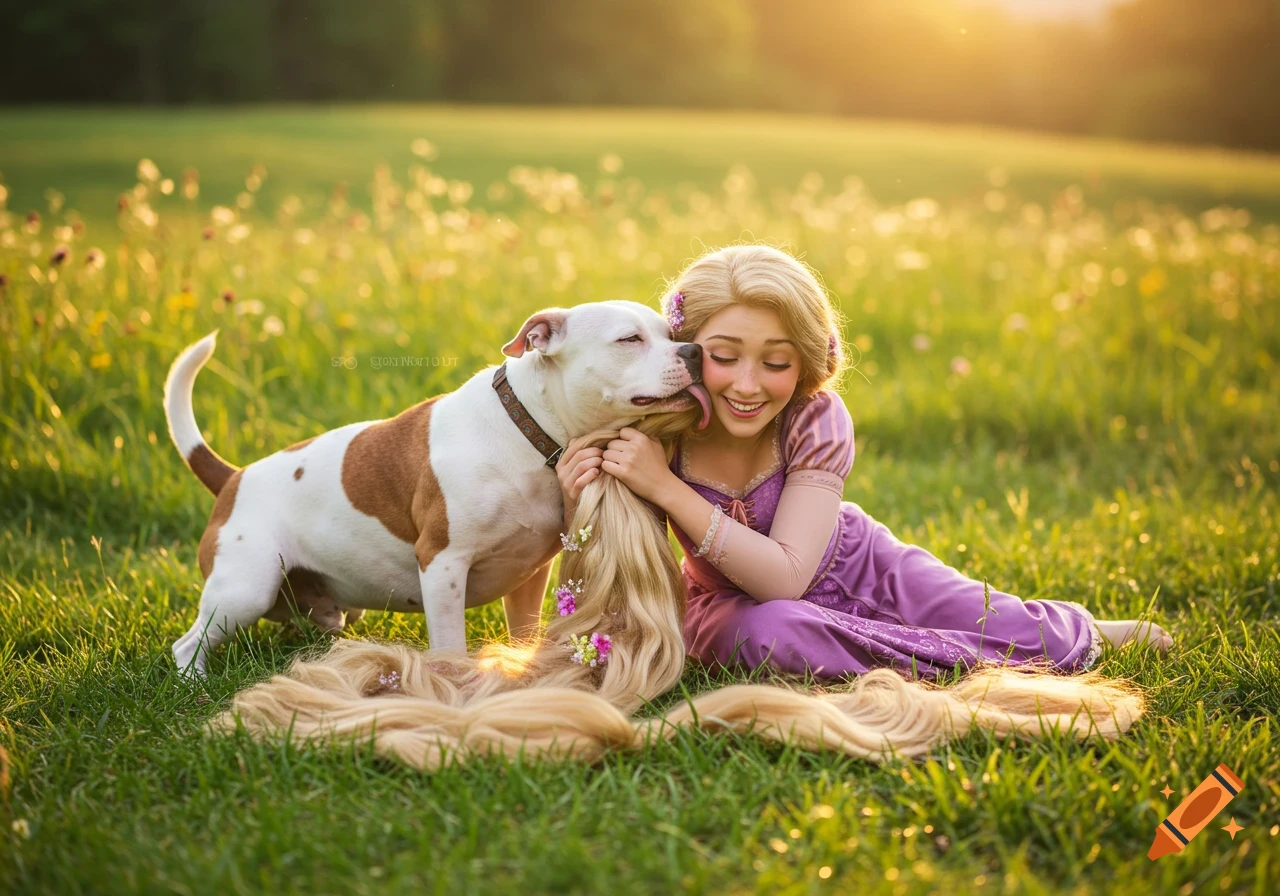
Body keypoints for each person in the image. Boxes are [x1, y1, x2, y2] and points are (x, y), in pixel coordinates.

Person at [558, 244, 1172, 683]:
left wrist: (667, 491)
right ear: (686, 352)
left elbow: (788, 576)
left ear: (804, 363)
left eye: (775, 363)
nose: (748, 385)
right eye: (724, 356)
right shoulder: (658, 430)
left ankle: (1081, 631)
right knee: (771, 637)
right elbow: (605, 569)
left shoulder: (811, 419)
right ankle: (962, 663)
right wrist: (574, 498)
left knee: (1006, 623)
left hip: (862, 564)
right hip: (734, 606)